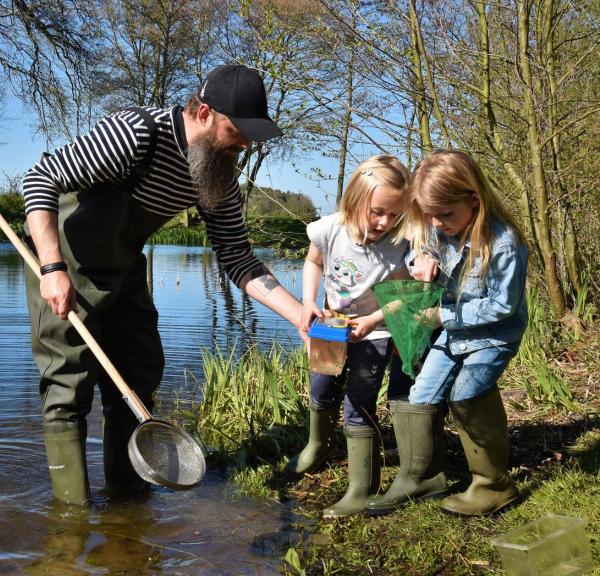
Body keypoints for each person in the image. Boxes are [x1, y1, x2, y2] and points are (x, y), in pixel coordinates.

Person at [21, 64, 304, 506]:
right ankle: (71, 520)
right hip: (65, 258)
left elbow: (239, 258)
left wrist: (301, 315)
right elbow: (39, 178)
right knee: (68, 383)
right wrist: (52, 268)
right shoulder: (136, 133)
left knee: (140, 368)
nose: (247, 144)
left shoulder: (219, 178)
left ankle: (127, 498)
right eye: (239, 130)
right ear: (206, 112)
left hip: (124, 264)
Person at [367, 149, 528, 517]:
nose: (438, 223)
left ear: (473, 198)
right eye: (431, 215)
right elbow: (421, 249)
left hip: (493, 336)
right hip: (454, 332)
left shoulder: (503, 244)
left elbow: (501, 306)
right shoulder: (442, 230)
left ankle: (493, 485)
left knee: (467, 393)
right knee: (420, 394)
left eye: (446, 214)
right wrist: (422, 262)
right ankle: (421, 477)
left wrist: (441, 315)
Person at [285, 154, 412, 518]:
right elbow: (313, 262)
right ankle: (317, 446)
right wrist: (308, 301)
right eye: (376, 212)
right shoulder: (329, 228)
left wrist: (374, 319)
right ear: (354, 200)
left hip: (377, 329)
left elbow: (405, 298)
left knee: (358, 401)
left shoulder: (400, 244)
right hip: (331, 323)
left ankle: (362, 486)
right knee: (321, 386)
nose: (385, 222)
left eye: (394, 214)